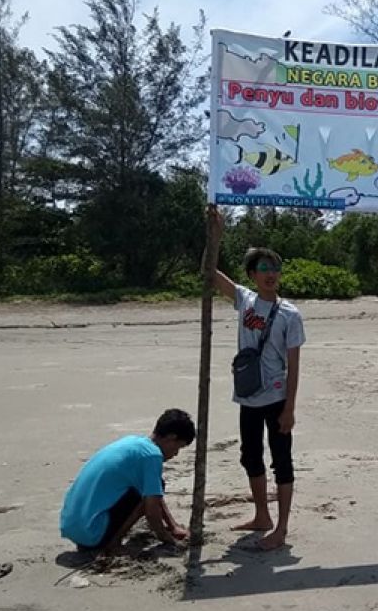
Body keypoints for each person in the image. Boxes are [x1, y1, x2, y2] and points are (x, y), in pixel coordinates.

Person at [209, 206, 306, 551]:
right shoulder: (245, 300)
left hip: (277, 398)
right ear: (252, 274)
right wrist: (216, 237)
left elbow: (294, 366)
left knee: (282, 462)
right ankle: (261, 515)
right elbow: (208, 274)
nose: (271, 273)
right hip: (248, 396)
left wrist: (290, 409)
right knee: (250, 455)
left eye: (275, 268)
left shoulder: (290, 314)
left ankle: (281, 529)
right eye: (263, 268)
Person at [60, 408, 194, 554]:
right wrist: (167, 538)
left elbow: (153, 493)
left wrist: (173, 526)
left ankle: (109, 537)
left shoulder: (133, 443)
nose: (176, 454)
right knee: (151, 492)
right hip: (93, 534)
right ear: (170, 437)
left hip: (74, 528)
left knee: (152, 488)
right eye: (178, 447)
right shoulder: (152, 456)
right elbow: (151, 510)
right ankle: (114, 543)